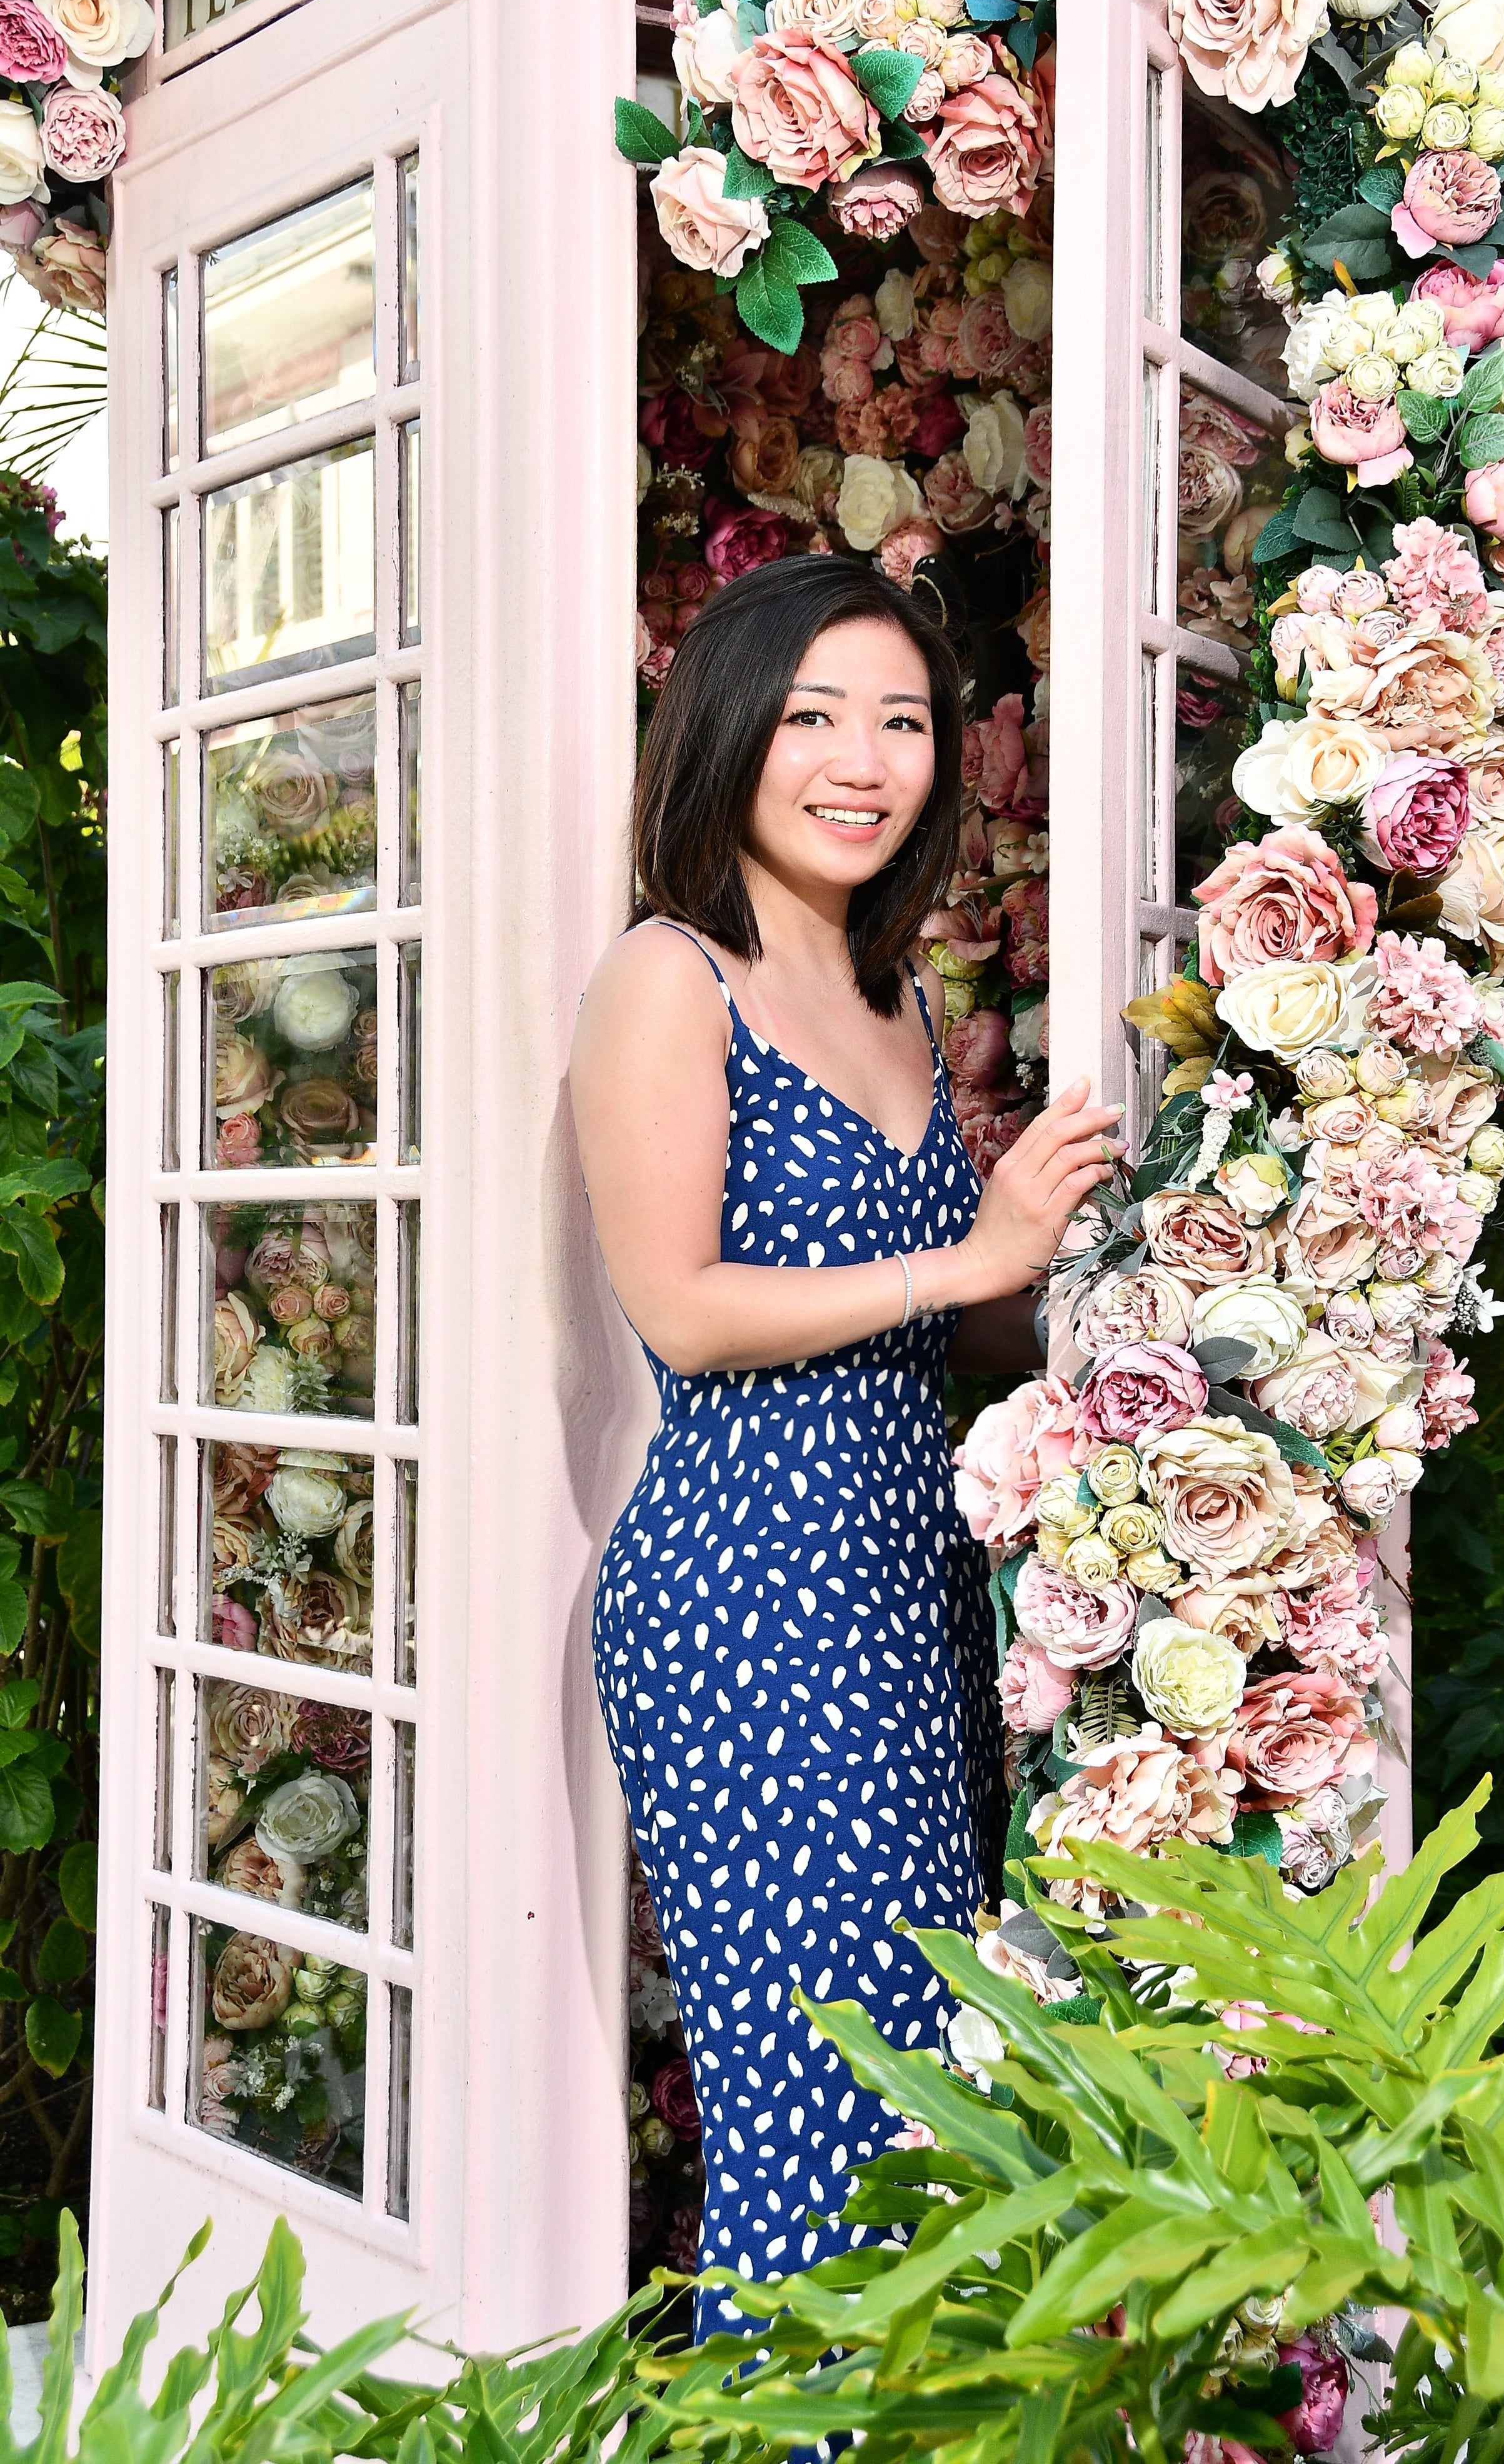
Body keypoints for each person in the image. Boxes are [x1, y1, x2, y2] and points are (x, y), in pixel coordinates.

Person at [569, 555, 1120, 2318]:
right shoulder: (672, 977)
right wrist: (979, 1250)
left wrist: (1125, 1308)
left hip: (905, 1593)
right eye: (815, 718)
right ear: (729, 734)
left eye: (902, 723)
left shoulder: (900, 1001)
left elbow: (944, 1312)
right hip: (748, 1608)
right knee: (817, 2121)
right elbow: (687, 1308)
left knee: (932, 2106)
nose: (863, 761)